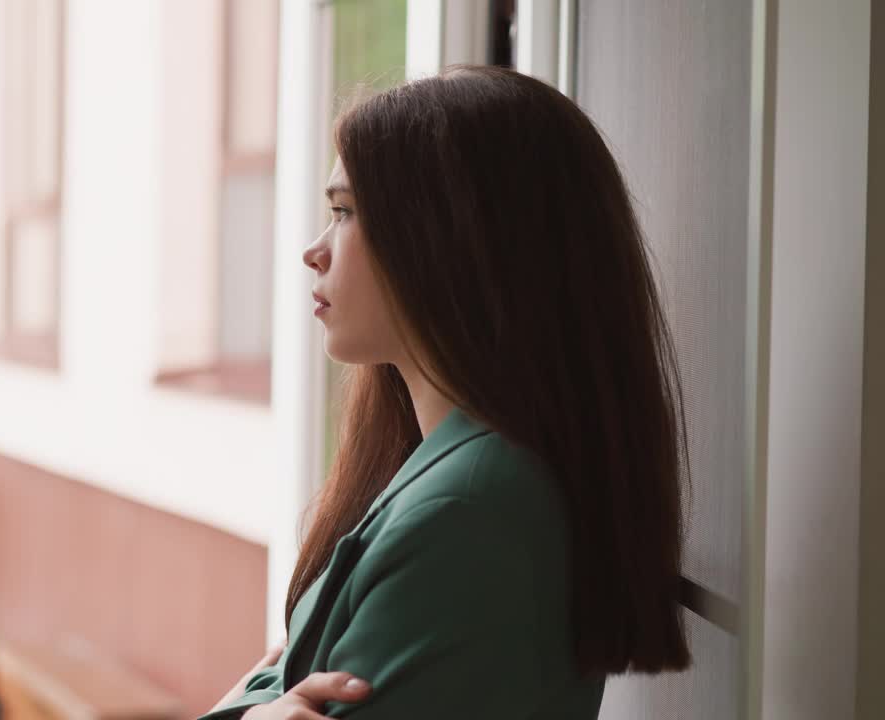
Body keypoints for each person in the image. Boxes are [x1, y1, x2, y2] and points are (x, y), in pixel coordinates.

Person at [199, 65, 692, 719]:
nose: (313, 251)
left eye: (345, 213)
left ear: (449, 238)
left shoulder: (468, 508)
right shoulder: (447, 471)